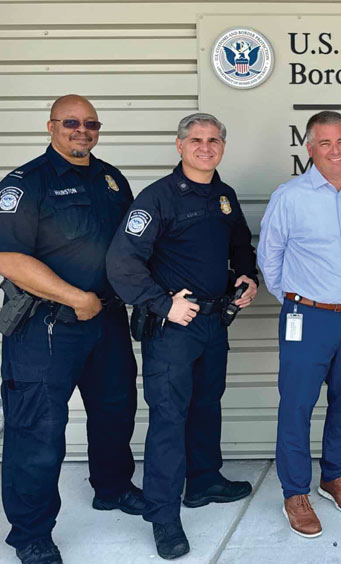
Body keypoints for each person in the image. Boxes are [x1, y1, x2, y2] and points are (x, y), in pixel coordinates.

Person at [106, 112, 258, 559]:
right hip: (173, 327)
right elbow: (121, 264)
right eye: (196, 140)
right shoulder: (157, 198)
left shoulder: (224, 196)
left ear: (222, 146)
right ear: (179, 145)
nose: (205, 147)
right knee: (169, 418)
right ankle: (163, 515)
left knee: (207, 404)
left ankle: (204, 480)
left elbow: (239, 245)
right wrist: (162, 303)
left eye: (213, 140)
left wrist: (246, 277)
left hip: (212, 322)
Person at [0, 94, 142, 564]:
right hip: (45, 326)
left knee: (115, 411)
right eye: (71, 122)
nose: (82, 130)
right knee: (37, 430)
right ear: (51, 127)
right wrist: (75, 298)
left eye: (91, 124)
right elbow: (8, 258)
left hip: (107, 320)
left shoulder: (112, 179)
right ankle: (31, 533)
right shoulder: (25, 184)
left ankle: (113, 488)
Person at [257, 111, 341, 538]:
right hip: (307, 317)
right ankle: (295, 491)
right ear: (309, 149)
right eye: (325, 143)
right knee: (297, 405)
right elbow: (269, 258)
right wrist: (299, 300)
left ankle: (334, 476)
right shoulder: (290, 196)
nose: (335, 150)